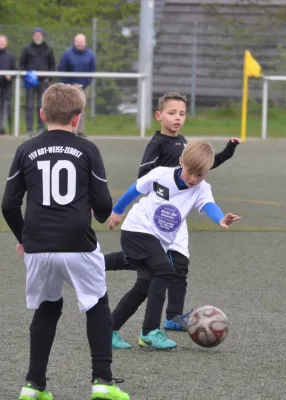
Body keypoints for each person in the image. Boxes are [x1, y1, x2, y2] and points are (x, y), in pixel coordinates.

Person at [1, 83, 129, 399]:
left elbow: (8, 204)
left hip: (39, 245)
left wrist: (24, 238)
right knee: (97, 303)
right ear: (77, 118)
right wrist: (101, 212)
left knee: (47, 307)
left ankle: (33, 386)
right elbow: (103, 207)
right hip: (78, 242)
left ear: (43, 114)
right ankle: (102, 381)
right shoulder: (88, 150)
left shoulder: (25, 149)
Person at [103, 92, 240, 347]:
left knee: (144, 284)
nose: (194, 179)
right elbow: (136, 189)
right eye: (191, 173)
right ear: (180, 163)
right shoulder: (161, 174)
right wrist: (118, 210)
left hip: (160, 237)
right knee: (165, 269)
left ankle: (108, 330)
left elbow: (209, 205)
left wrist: (221, 219)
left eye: (200, 175)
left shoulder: (201, 187)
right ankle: (149, 333)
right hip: (138, 228)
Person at [58, 33, 96, 138]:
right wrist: (68, 85)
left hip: (84, 87)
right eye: (78, 41)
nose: (79, 44)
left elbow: (92, 71)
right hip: (68, 87)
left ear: (85, 42)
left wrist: (85, 83)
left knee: (81, 109)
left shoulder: (90, 55)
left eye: (81, 42)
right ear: (74, 42)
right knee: (67, 108)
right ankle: (67, 130)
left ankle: (79, 131)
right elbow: (62, 68)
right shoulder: (67, 54)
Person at [19, 27, 55, 138]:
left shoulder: (48, 49)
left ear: (43, 36)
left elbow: (52, 64)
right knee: (29, 105)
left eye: (39, 34)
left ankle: (41, 128)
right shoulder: (26, 49)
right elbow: (21, 64)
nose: (37, 36)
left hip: (43, 82)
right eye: (35, 34)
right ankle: (29, 129)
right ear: (33, 36)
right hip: (30, 82)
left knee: (42, 105)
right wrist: (25, 77)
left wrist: (49, 78)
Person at [0, 34, 16, 135]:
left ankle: (5, 129)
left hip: (6, 87)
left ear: (6, 43)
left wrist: (11, 75)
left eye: (3, 41)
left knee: (5, 109)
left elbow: (15, 69)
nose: (1, 43)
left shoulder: (10, 56)